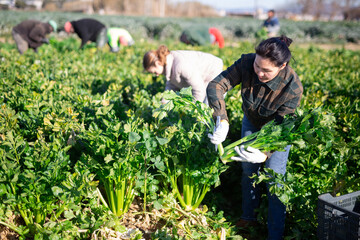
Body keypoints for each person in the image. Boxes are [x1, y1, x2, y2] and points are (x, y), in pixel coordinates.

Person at [207, 36, 303, 240]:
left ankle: (274, 234)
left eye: (266, 71)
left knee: (274, 179)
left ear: (282, 65)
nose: (259, 72)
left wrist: (265, 153)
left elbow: (283, 128)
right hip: (251, 121)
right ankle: (248, 217)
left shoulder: (292, 87)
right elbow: (216, 85)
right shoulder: (246, 63)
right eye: (257, 66)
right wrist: (221, 119)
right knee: (248, 170)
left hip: (276, 131)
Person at [143, 45, 223, 103]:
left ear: (157, 63)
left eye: (154, 72)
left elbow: (199, 90)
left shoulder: (180, 65)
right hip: (202, 80)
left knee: (209, 109)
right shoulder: (168, 66)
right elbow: (171, 86)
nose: (156, 75)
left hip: (213, 72)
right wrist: (163, 103)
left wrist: (193, 110)